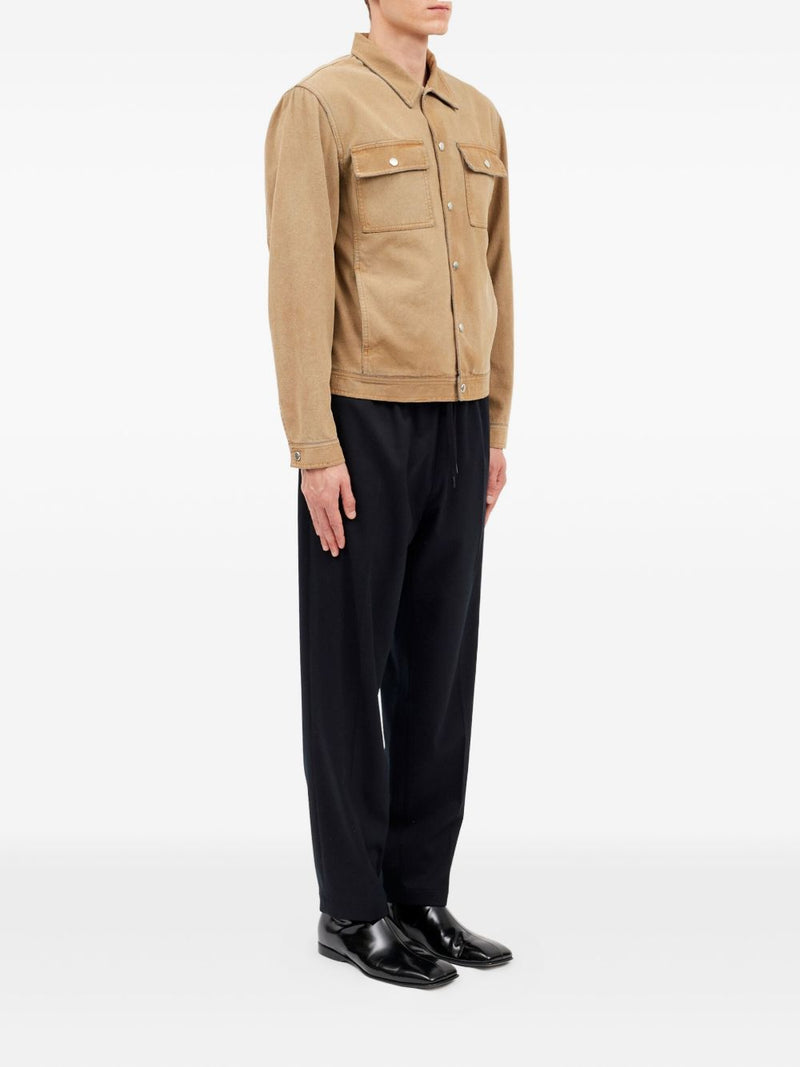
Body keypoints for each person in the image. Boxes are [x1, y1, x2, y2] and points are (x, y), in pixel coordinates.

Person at [264, 0, 515, 988]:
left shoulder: (478, 115)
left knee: (439, 673)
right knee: (347, 668)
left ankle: (417, 894)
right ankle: (351, 907)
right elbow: (296, 281)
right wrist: (312, 444)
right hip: (361, 421)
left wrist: (494, 423)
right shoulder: (318, 105)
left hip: (459, 420)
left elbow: (499, 275)